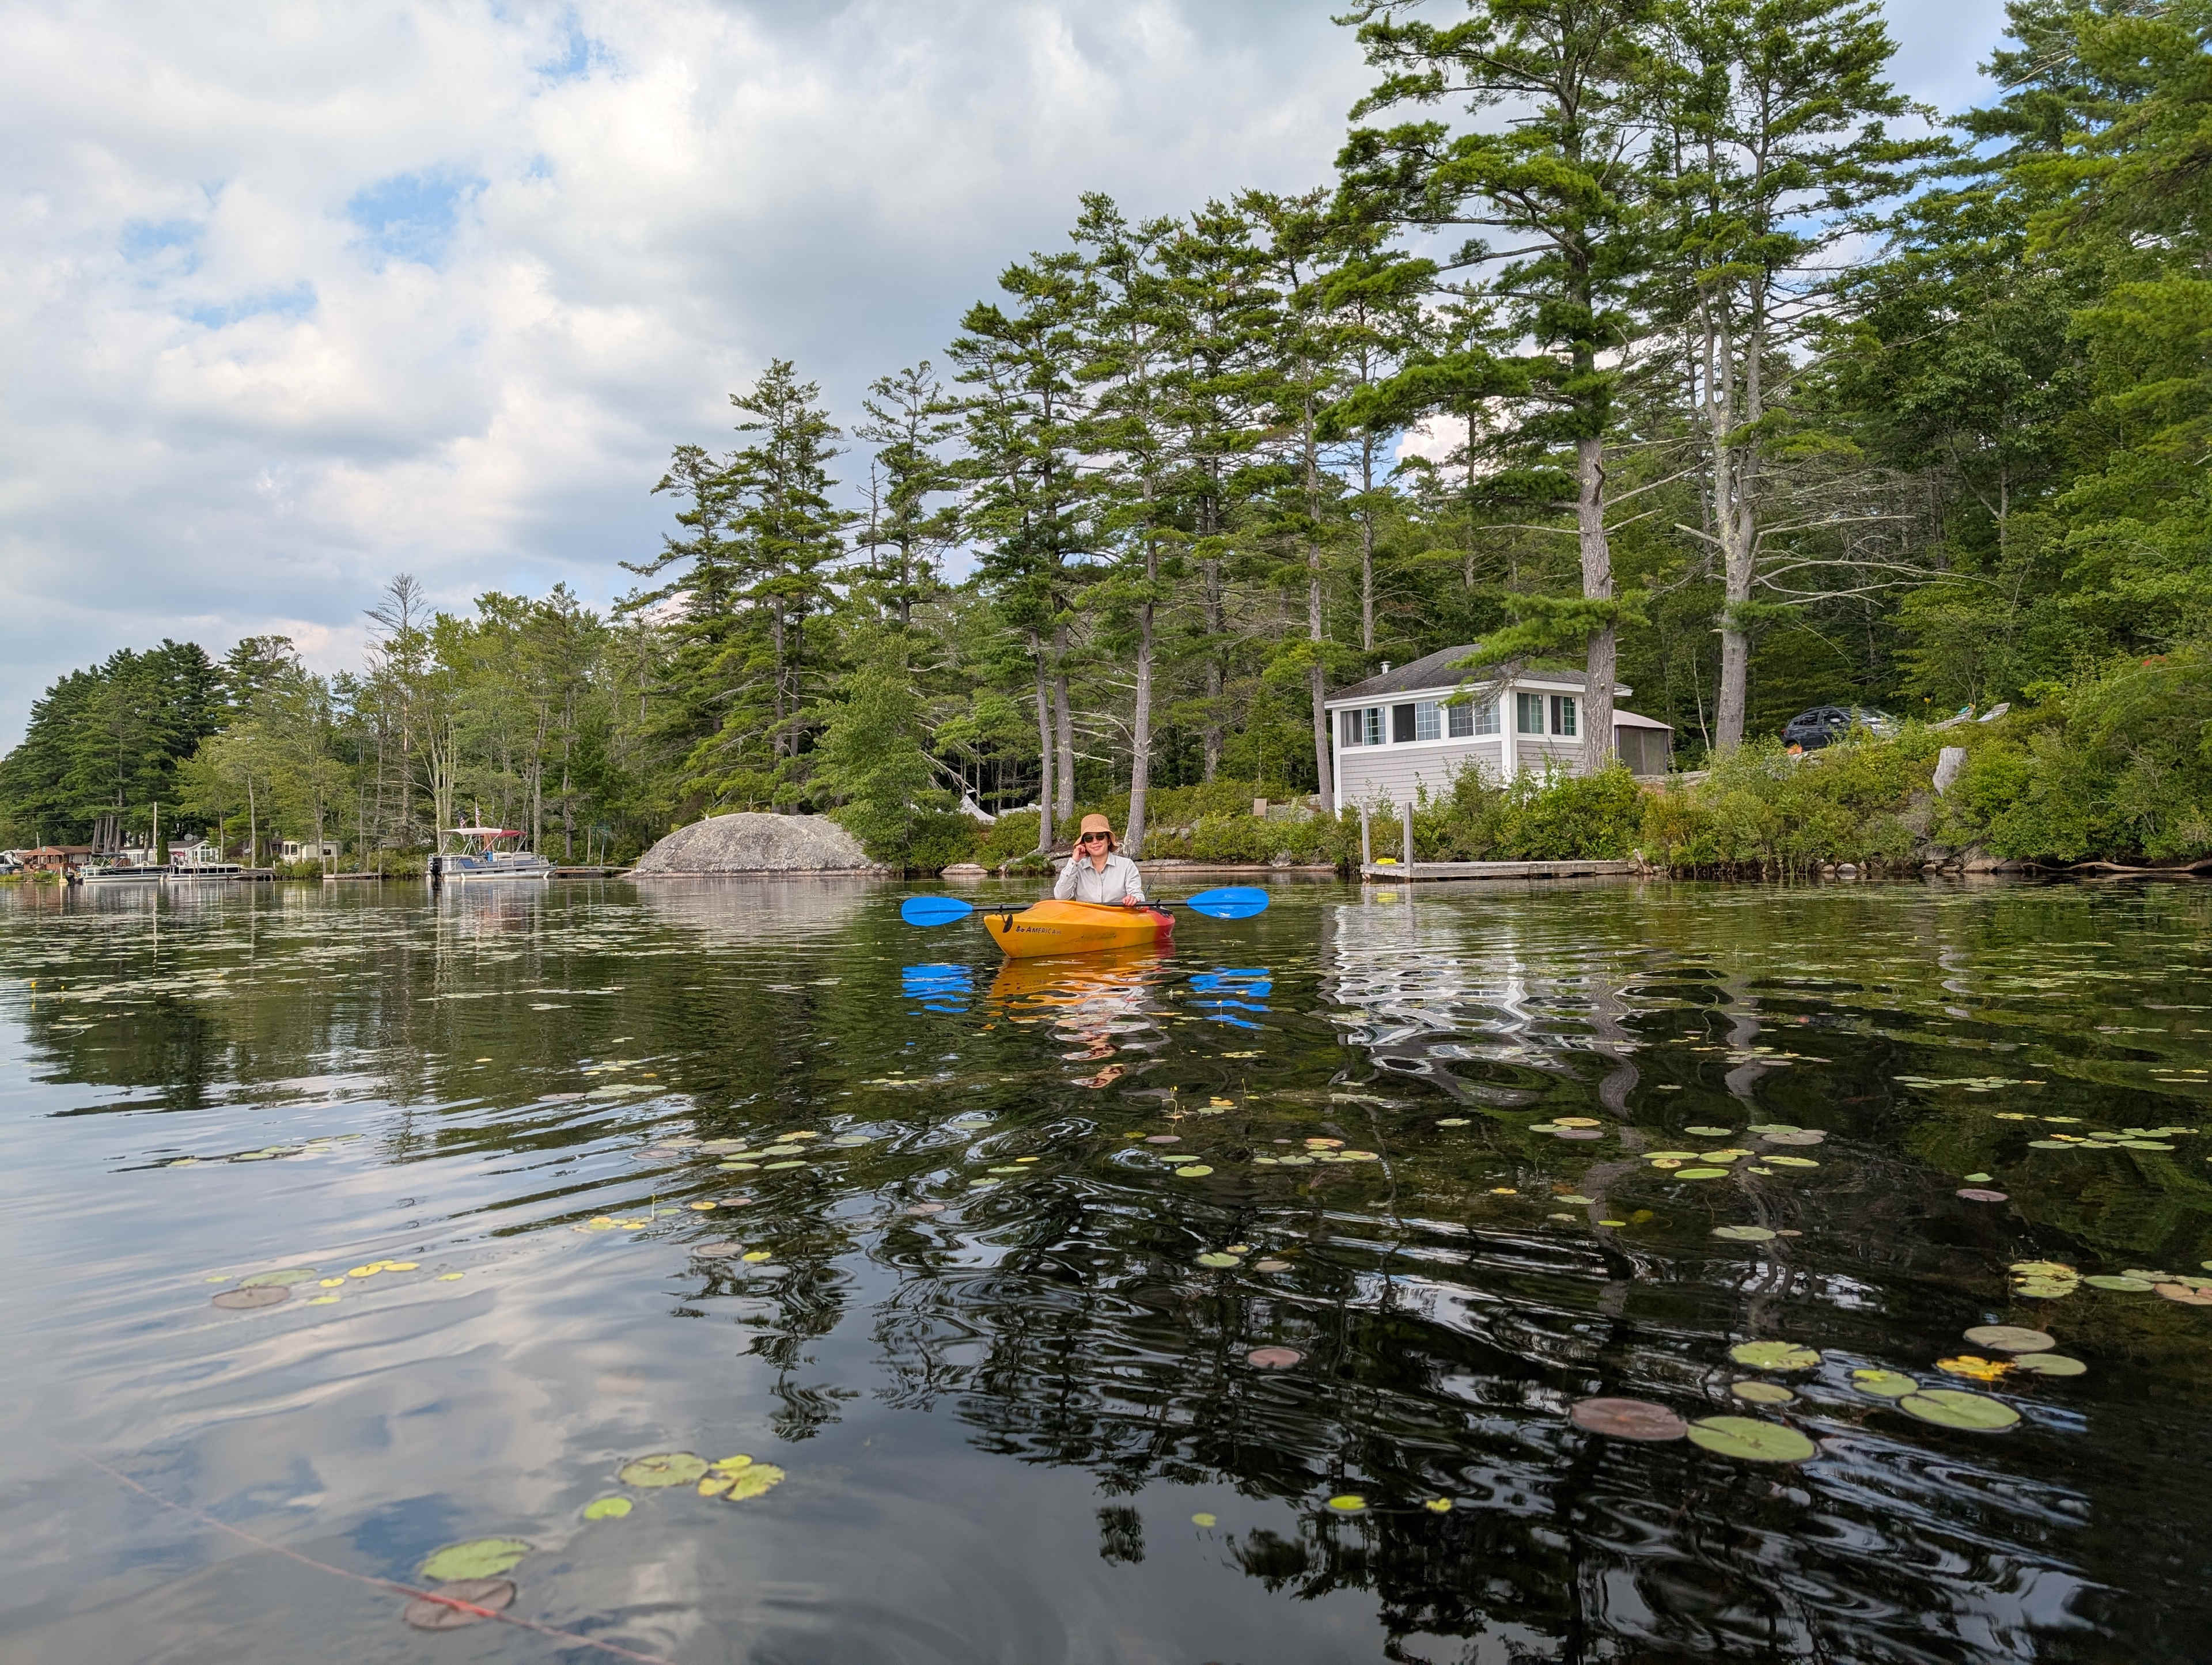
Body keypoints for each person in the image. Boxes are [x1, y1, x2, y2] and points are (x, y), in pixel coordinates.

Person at [1053, 813, 1148, 907]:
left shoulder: (1127, 865)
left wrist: (1134, 899)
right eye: (1089, 839)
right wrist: (1074, 861)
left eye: (1100, 837)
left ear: (1108, 841)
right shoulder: (1077, 868)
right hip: (1087, 917)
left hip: (1119, 916)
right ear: (1084, 844)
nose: (1095, 842)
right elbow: (1061, 897)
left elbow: (1138, 895)